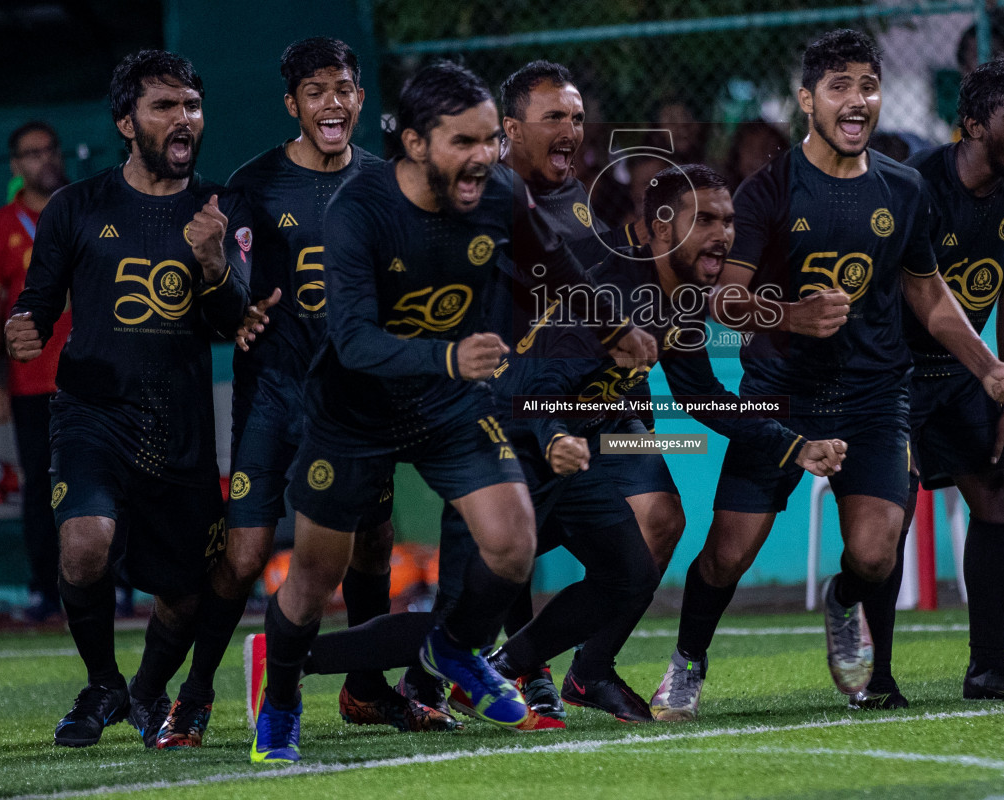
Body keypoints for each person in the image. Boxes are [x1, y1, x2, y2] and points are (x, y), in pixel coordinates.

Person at [248, 61, 656, 763]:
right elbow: (350, 340)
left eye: (491, 140)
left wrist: (615, 330)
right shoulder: (359, 212)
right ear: (414, 143)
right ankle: (280, 695)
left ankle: (453, 651)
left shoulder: (496, 193)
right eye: (464, 142)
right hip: (355, 411)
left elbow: (550, 265)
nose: (485, 157)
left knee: (513, 542)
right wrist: (447, 358)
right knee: (313, 577)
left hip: (448, 404)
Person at [650, 29, 1004, 719]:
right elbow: (726, 299)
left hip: (874, 395)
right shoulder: (768, 189)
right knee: (727, 556)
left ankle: (844, 601)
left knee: (876, 552)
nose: (858, 101)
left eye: (868, 86)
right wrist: (791, 315)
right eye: (839, 87)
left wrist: (989, 367)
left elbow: (929, 294)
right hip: (780, 394)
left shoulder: (904, 188)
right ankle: (687, 661)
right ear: (808, 101)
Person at [160, 38, 452, 749]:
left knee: (374, 544)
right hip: (275, 396)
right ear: (293, 105)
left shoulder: (391, 183)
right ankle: (193, 699)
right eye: (316, 91)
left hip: (359, 403)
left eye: (344, 88)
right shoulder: (253, 185)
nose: (333, 102)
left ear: (359, 98)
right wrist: (209, 265)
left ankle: (367, 688)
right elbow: (226, 306)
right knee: (245, 553)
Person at [6, 50, 250, 748]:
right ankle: (102, 682)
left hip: (181, 426)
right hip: (92, 413)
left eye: (192, 106)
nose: (184, 119)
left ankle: (143, 694)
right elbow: (38, 305)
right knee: (84, 546)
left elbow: (235, 326)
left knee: (185, 594)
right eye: (165, 106)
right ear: (126, 121)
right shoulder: (75, 207)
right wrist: (24, 329)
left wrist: (212, 265)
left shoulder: (220, 208)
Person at [482, 59, 686, 720]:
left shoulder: (576, 194)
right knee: (512, 542)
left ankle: (586, 667)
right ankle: (518, 669)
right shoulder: (485, 202)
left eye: (575, 116)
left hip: (598, 396)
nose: (571, 129)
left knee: (661, 518)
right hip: (522, 404)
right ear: (510, 130)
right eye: (554, 118)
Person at [903, 56, 1004, 701]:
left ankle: (987, 667)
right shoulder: (916, 186)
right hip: (897, 374)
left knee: (998, 494)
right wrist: (988, 370)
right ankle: (874, 676)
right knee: (888, 512)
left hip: (972, 375)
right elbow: (918, 300)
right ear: (971, 125)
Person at [0, 121, 71, 624]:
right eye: (32, 154)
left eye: (50, 149)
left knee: (108, 480)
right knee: (41, 487)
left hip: (90, 377)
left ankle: (115, 587)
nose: (44, 160)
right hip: (31, 382)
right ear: (16, 166)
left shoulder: (83, 208)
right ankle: (42, 589)